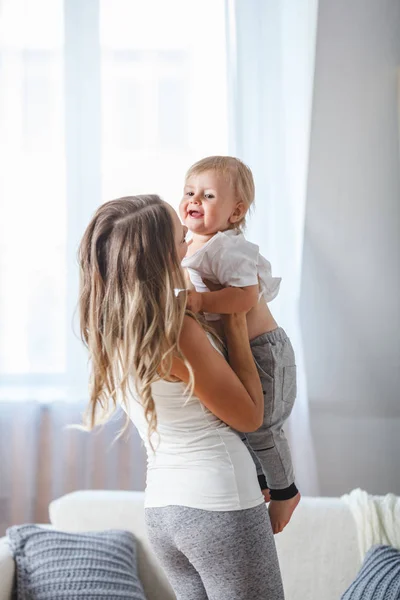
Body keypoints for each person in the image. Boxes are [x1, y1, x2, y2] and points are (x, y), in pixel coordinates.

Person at [78, 195, 285, 600]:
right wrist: (236, 320)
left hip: (164, 513)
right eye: (179, 238)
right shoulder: (176, 333)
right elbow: (249, 415)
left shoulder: (113, 333)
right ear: (157, 259)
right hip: (220, 504)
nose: (189, 243)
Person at [181, 155, 300, 534]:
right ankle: (264, 481)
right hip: (239, 352)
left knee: (262, 425)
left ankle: (286, 491)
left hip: (265, 351)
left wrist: (200, 302)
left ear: (235, 213)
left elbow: (245, 297)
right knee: (239, 424)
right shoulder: (189, 246)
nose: (195, 200)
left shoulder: (227, 248)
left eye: (208, 195)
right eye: (189, 192)